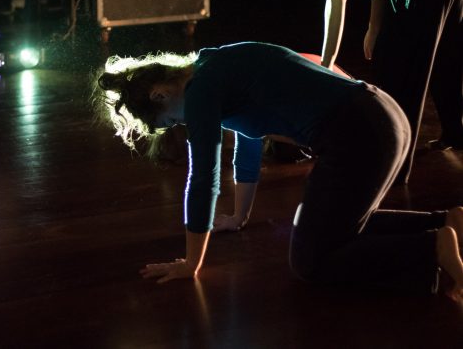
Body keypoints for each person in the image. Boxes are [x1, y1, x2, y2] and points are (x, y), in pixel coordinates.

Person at [92, 41, 463, 301]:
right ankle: (446, 221)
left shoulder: (202, 89)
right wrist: (239, 215)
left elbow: (203, 177)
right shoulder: (217, 65)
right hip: (381, 114)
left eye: (171, 119)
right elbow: (249, 145)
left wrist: (192, 263)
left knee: (311, 262)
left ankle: (431, 248)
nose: (180, 124)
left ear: (159, 94)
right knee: (317, 224)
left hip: (358, 132)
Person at [214, 0, 463, 183]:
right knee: (447, 44)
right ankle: (456, 131)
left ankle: (393, 169)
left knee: (399, 64)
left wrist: (374, 27)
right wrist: (326, 64)